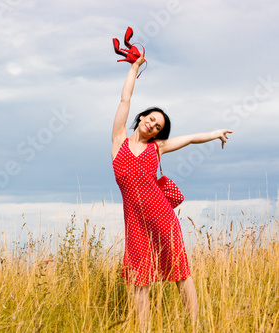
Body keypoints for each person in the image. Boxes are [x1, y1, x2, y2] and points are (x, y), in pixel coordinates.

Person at [111, 54, 232, 330]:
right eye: (151, 119)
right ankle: (144, 329)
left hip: (162, 217)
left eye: (158, 126)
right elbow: (124, 101)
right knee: (139, 278)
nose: (152, 125)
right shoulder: (119, 141)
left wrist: (215, 133)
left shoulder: (157, 148)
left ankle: (195, 325)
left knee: (179, 271)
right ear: (142, 117)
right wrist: (134, 67)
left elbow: (189, 139)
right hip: (136, 224)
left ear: (157, 134)